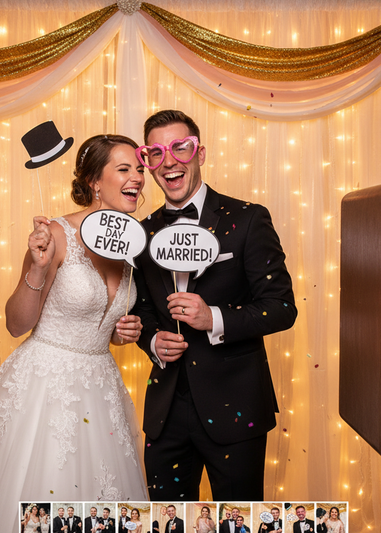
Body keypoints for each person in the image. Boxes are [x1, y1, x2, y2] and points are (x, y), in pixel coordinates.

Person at [0, 135, 149, 533]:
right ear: (94, 181)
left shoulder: (129, 243)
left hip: (101, 386)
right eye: (124, 169)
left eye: (139, 169)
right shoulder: (55, 234)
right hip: (44, 387)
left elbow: (100, 324)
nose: (137, 177)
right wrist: (37, 268)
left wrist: (124, 331)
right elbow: (16, 324)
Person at [132, 108, 297, 501]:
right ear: (149, 163)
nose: (169, 161)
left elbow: (281, 306)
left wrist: (214, 318)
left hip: (235, 410)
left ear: (200, 153)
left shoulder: (248, 219)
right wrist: (153, 341)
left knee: (239, 521)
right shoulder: (143, 232)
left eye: (180, 148)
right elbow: (141, 310)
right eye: (156, 152)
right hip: (166, 413)